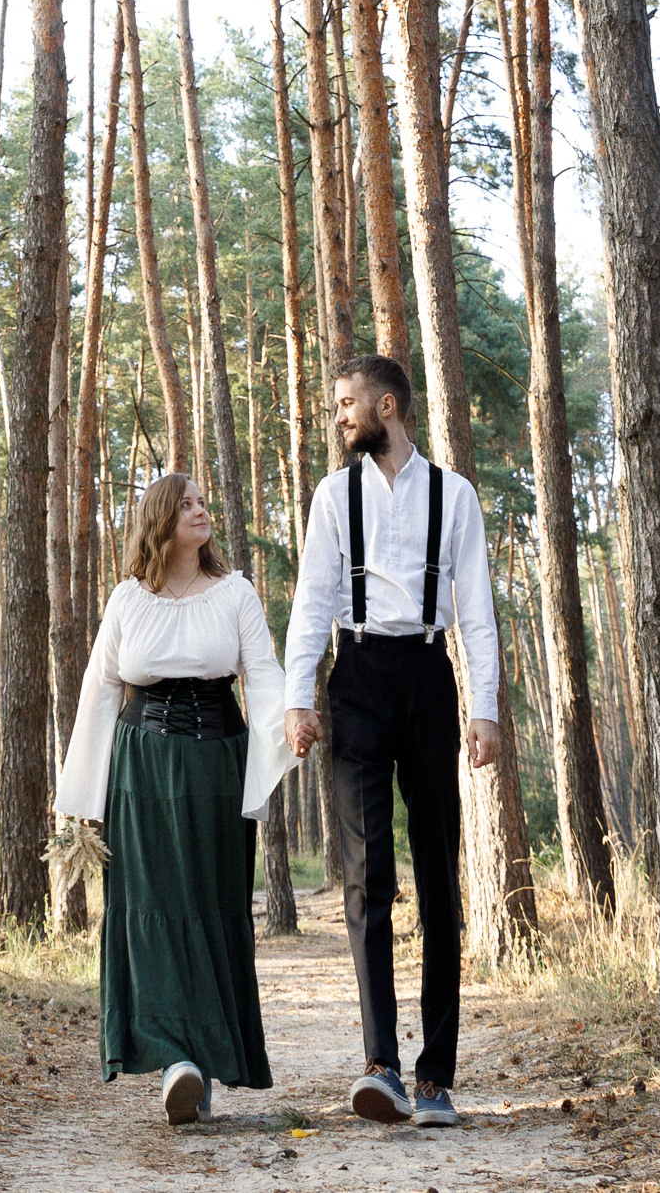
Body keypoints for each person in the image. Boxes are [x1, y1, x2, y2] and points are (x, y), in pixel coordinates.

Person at [283, 354, 501, 1134]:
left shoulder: (456, 495)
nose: (338, 416)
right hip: (358, 675)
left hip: (428, 678)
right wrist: (297, 699)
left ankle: (436, 1078)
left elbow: (475, 606)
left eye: (346, 404)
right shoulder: (332, 495)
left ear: (386, 405)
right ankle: (380, 1067)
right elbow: (311, 600)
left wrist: (486, 709)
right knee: (365, 873)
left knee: (438, 873)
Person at [57, 469, 290, 1128]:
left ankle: (204, 1058)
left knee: (211, 906)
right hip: (141, 766)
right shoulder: (128, 598)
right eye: (185, 503)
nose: (200, 509)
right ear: (160, 519)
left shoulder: (235, 592)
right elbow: (101, 690)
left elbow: (264, 675)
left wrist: (286, 730)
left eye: (202, 500)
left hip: (217, 762)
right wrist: (83, 796)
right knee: (152, 905)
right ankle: (175, 1062)